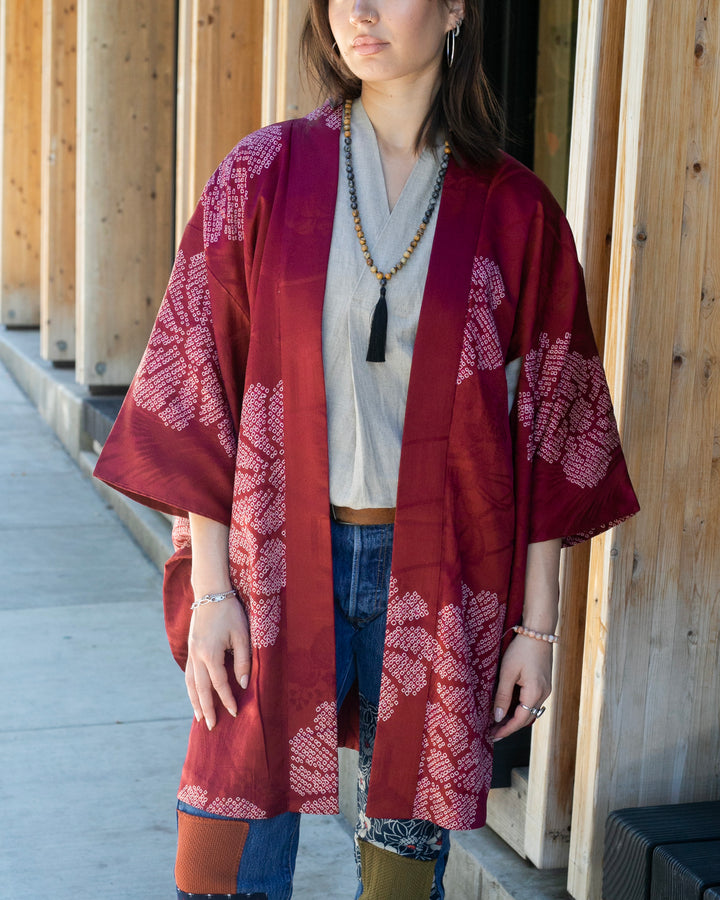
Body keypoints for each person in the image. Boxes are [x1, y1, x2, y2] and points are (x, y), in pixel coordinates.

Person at [95, 1, 639, 897]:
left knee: (399, 872)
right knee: (224, 853)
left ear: (456, 7)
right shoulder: (265, 174)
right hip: (269, 559)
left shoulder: (514, 211)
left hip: (439, 572)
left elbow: (553, 426)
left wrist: (536, 629)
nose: (359, 10)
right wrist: (212, 588)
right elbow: (202, 380)